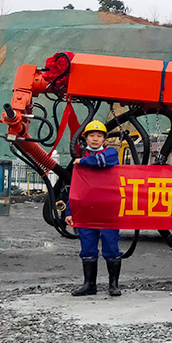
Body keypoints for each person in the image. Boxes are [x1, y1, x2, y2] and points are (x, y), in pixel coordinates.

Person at [65, 121, 122, 297]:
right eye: (92, 135)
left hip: (108, 211)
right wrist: (69, 212)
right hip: (86, 212)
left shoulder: (111, 154)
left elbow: (102, 161)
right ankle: (89, 285)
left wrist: (82, 161)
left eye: (99, 136)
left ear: (104, 139)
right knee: (87, 249)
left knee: (111, 248)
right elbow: (74, 188)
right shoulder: (78, 161)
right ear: (86, 138)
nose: (95, 139)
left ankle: (113, 285)